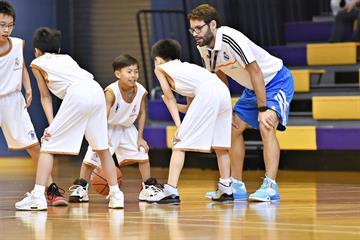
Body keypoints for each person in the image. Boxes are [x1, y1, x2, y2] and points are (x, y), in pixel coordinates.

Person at [188, 4, 294, 202]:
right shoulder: (203, 47)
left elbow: (255, 71)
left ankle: (270, 187)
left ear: (212, 25)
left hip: (275, 80)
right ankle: (236, 185)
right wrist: (224, 109)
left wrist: (263, 108)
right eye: (192, 29)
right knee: (231, 129)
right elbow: (218, 75)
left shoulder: (230, 38)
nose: (195, 33)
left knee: (266, 124)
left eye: (198, 28)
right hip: (252, 88)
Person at [15, 27, 124, 210]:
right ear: (58, 49)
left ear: (37, 50)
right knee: (102, 148)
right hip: (96, 90)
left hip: (78, 94)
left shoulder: (37, 62)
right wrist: (54, 125)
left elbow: (45, 96)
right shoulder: (66, 58)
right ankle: (116, 195)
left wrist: (51, 125)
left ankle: (37, 197)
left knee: (48, 146)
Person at [147, 39, 233, 204]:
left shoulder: (160, 68)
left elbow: (170, 98)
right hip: (222, 92)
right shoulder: (189, 69)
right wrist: (170, 103)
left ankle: (171, 190)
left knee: (179, 143)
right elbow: (191, 108)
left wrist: (179, 126)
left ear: (157, 59)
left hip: (207, 94)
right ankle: (226, 188)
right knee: (221, 146)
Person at [0, 1, 67, 206]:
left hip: (12, 101)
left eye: (10, 25)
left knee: (35, 147)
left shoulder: (18, 43)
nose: (6, 29)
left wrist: (28, 87)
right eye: (2, 24)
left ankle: (50, 189)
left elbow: (20, 66)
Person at [68, 54, 158, 203]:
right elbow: (102, 116)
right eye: (129, 71)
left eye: (136, 71)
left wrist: (140, 137)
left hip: (127, 128)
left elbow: (142, 113)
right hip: (107, 128)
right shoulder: (111, 92)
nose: (133, 75)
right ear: (118, 74)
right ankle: (81, 188)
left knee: (142, 153)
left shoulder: (141, 90)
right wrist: (101, 135)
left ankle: (147, 188)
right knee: (90, 159)